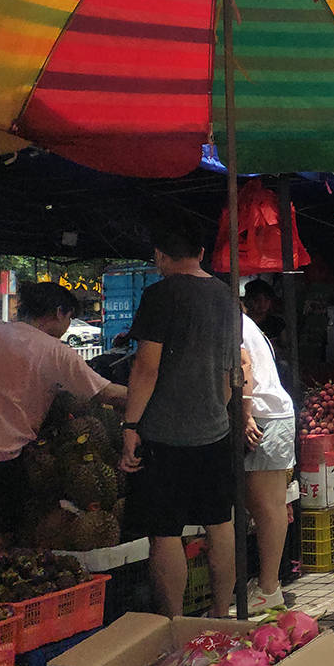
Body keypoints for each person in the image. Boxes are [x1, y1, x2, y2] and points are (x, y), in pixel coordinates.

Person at [120, 218, 241, 618]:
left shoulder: (160, 295)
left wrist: (131, 426)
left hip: (165, 434)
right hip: (215, 429)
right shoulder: (227, 296)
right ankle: (221, 614)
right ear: (202, 253)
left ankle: (173, 621)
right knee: (220, 523)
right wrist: (218, 411)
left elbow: (146, 368)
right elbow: (230, 371)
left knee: (166, 531)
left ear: (159, 256)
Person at [0, 282, 128, 554]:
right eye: (69, 319)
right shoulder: (52, 350)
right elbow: (107, 393)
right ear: (59, 312)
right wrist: (153, 397)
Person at [239, 305, 294, 613]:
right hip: (270, 415)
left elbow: (244, 367)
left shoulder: (232, 323)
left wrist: (245, 414)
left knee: (268, 507)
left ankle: (269, 587)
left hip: (264, 416)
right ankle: (267, 584)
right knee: (267, 506)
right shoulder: (244, 323)